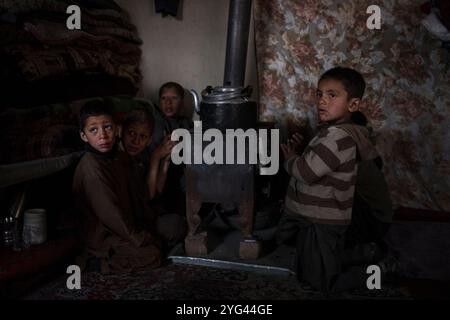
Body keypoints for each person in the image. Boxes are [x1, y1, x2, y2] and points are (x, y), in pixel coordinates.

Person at [277, 67, 394, 294]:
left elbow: (308, 173)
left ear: (352, 105)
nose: (322, 100)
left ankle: (378, 269)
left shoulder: (337, 136)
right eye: (319, 94)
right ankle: (366, 252)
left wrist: (291, 159)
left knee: (322, 282)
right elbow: (322, 164)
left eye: (332, 95)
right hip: (322, 217)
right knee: (311, 261)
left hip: (326, 219)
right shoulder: (337, 132)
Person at [72, 100, 161, 274]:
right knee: (153, 254)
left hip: (125, 228)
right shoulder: (91, 168)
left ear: (117, 129)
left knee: (167, 233)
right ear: (84, 136)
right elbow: (111, 214)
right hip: (102, 235)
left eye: (107, 127)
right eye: (93, 130)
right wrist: (138, 237)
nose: (103, 136)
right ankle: (96, 263)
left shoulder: (118, 157)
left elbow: (138, 196)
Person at [119, 106, 187, 252]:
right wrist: (156, 157)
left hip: (145, 214)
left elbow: (156, 192)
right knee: (175, 226)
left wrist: (165, 160)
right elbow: (148, 196)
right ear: (121, 131)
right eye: (131, 133)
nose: (135, 141)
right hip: (130, 224)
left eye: (143, 137)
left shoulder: (139, 156)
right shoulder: (119, 159)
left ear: (149, 140)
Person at [148, 82, 193, 216]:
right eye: (164, 98)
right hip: (163, 175)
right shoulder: (157, 123)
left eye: (174, 98)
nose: (168, 103)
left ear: (182, 102)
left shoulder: (186, 122)